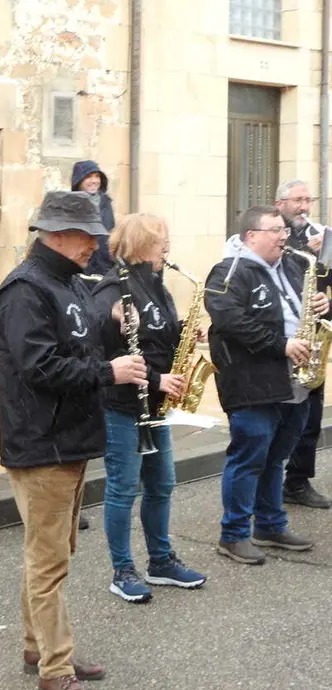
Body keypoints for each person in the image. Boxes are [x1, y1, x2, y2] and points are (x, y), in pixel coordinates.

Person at [0, 191, 147, 690]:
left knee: (50, 555)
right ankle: (54, 671)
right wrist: (109, 372)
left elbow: (75, 348)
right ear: (56, 235)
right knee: (49, 563)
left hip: (67, 438)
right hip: (43, 442)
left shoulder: (62, 283)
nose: (95, 246)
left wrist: (111, 336)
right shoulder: (25, 290)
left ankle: (39, 649)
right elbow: (39, 368)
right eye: (87, 238)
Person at [91, 214, 207, 604]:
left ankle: (161, 561)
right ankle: (122, 569)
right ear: (142, 244)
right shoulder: (114, 287)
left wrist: (187, 329)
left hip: (155, 406)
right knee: (123, 489)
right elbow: (102, 337)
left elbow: (160, 336)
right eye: (162, 242)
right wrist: (155, 377)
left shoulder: (155, 285)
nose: (167, 248)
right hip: (124, 406)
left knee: (162, 484)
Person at [205, 205, 329, 565]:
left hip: (294, 381)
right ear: (251, 237)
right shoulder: (228, 272)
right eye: (274, 230)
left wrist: (323, 304)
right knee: (248, 458)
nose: (283, 236)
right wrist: (282, 344)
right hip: (251, 381)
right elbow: (230, 321)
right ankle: (234, 534)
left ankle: (270, 524)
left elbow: (304, 308)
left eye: (283, 230)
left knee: (276, 458)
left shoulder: (294, 264)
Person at [271, 180, 332, 509]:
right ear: (279, 204)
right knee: (276, 417)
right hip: (281, 342)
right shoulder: (273, 239)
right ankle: (266, 486)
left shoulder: (322, 238)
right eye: (297, 200)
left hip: (314, 337)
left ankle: (297, 481)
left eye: (308, 199)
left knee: (310, 414)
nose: (304, 206)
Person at [71, 160, 116, 277]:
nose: (94, 181)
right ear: (79, 180)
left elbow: (110, 232)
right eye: (89, 177)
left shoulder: (106, 202)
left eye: (97, 176)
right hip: (81, 268)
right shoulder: (71, 204)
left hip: (105, 267)